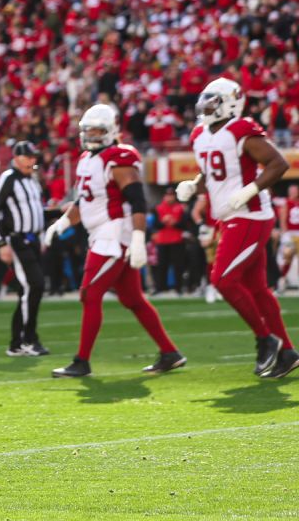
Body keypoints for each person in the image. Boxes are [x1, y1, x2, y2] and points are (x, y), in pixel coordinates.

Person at [44, 104, 185, 379]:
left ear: (111, 130)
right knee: (133, 299)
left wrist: (138, 238)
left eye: (97, 130)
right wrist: (61, 222)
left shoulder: (118, 157)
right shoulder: (86, 158)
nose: (92, 135)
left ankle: (81, 361)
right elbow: (83, 201)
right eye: (88, 130)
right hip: (100, 233)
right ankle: (170, 353)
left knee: (89, 294)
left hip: (115, 233)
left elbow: (138, 200)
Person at [177, 78, 298, 378]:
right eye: (204, 100)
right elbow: (212, 172)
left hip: (250, 215)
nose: (205, 106)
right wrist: (194, 186)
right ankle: (287, 353)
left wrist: (250, 191)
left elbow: (277, 163)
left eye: (212, 101)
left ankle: (265, 338)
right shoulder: (199, 135)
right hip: (230, 216)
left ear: (230, 102)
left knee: (223, 279)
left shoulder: (241, 129)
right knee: (257, 289)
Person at [0, 141, 49, 356]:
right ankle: (29, 340)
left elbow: (37, 211)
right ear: (18, 158)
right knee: (35, 285)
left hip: (34, 241)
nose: (33, 160)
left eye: (34, 157)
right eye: (29, 157)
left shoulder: (32, 180)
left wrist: (59, 211)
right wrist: (1, 242)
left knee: (28, 291)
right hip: (18, 240)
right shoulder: (8, 178)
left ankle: (17, 342)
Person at [152, 188, 188, 294]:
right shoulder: (158, 208)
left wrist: (174, 222)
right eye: (167, 195)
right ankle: (160, 288)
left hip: (177, 240)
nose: (169, 197)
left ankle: (179, 288)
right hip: (162, 241)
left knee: (178, 265)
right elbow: (155, 225)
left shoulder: (180, 208)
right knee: (162, 265)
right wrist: (164, 222)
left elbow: (184, 224)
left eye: (171, 195)